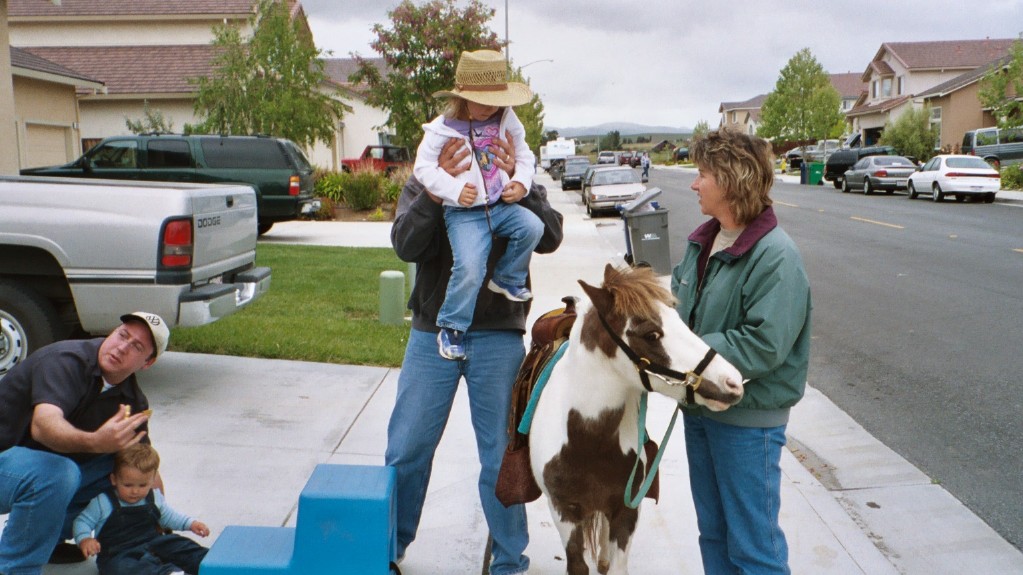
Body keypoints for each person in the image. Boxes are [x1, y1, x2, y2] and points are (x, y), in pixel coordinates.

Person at [386, 131, 564, 574]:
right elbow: (405, 245)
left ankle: (509, 561)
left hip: (498, 335)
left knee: (500, 455)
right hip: (434, 335)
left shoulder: (513, 169)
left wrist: (519, 188)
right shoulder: (431, 171)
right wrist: (434, 189)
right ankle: (388, 547)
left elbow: (551, 235)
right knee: (407, 449)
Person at [671, 128, 812, 575]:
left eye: (703, 174)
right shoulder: (703, 242)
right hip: (702, 411)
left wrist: (685, 352)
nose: (694, 184)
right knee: (713, 533)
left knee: (754, 548)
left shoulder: (775, 256)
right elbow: (678, 313)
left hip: (747, 423)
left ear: (731, 180)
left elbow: (763, 344)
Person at [0, 311, 169, 575]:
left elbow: (144, 469)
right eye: (122, 335)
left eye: (137, 346)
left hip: (27, 471)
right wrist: (96, 442)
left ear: (147, 363)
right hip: (6, 461)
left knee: (123, 478)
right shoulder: (64, 360)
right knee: (57, 473)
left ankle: (48, 540)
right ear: (112, 332)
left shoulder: (131, 400)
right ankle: (15, 569)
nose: (122, 347)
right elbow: (43, 426)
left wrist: (157, 524)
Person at [414, 49, 545, 360]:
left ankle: (507, 278)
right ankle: (451, 327)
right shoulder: (441, 129)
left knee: (532, 227)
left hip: (499, 206)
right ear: (462, 98)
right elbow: (422, 168)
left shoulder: (507, 119)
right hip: (464, 214)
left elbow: (526, 156)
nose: (490, 108)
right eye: (482, 101)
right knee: (470, 267)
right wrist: (454, 189)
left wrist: (521, 182)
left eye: (496, 101)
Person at [74, 443, 209, 575]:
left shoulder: (154, 498)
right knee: (122, 569)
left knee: (180, 546)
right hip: (118, 553)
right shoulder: (103, 502)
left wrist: (191, 524)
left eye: (143, 485)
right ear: (114, 479)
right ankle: (167, 572)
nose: (135, 491)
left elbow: (169, 517)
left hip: (153, 542)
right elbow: (82, 522)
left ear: (152, 480)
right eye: (127, 485)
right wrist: (85, 539)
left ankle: (207, 564)